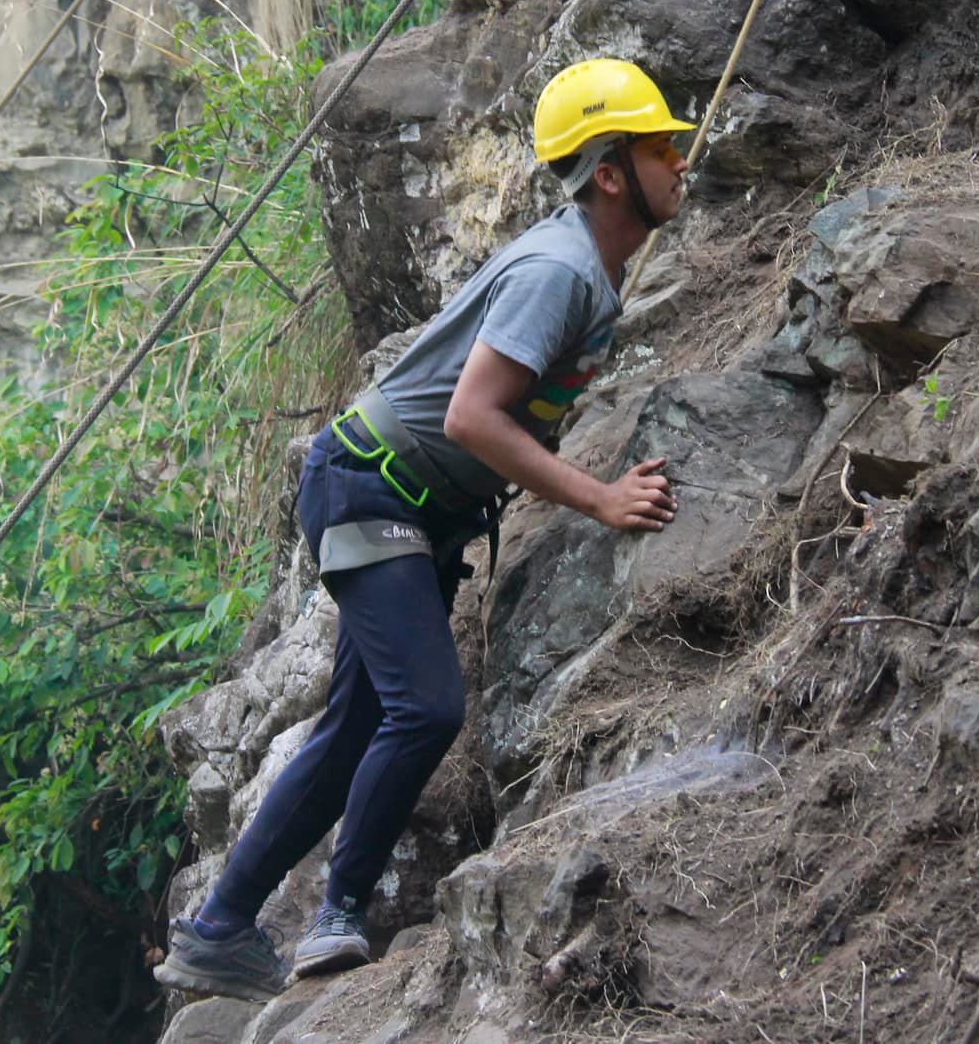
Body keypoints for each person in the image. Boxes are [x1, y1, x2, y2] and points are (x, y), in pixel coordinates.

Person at [153, 59, 692, 999]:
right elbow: (472, 418)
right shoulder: (559, 273)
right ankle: (337, 916)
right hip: (377, 486)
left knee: (358, 721)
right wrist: (601, 498)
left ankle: (220, 929)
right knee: (428, 706)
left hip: (402, 500)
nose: (682, 163)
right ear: (611, 173)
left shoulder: (586, 267)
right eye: (663, 148)